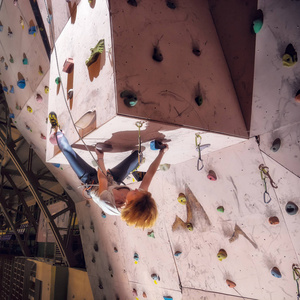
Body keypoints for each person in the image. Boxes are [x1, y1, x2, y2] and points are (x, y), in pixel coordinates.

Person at [49, 112, 168, 229]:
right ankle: (137, 158)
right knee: (138, 156)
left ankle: (57, 132)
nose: (137, 189)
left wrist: (100, 157)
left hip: (92, 182)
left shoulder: (108, 203)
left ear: (129, 205)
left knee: (68, 151)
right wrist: (161, 153)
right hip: (113, 180)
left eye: (135, 192)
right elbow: (149, 175)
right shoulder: (140, 197)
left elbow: (102, 179)